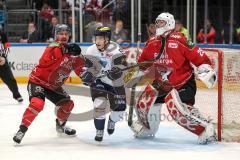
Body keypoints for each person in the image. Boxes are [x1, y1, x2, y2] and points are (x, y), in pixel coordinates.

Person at [131, 12, 217, 144]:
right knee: (143, 103)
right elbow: (143, 64)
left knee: (178, 109)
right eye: (157, 22)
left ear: (169, 23)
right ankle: (148, 129)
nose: (158, 25)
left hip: (183, 83)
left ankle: (206, 128)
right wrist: (135, 71)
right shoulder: (152, 42)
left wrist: (205, 68)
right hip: (161, 84)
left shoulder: (180, 39)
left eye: (161, 22)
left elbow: (199, 56)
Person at [13, 24, 85, 144]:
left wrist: (92, 78)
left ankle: (61, 125)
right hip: (37, 82)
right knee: (37, 104)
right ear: (56, 35)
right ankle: (21, 130)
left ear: (69, 36)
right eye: (61, 33)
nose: (63, 36)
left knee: (68, 104)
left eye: (66, 34)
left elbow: (81, 72)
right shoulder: (53, 46)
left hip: (54, 87)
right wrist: (65, 49)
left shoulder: (74, 54)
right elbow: (47, 59)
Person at [80, 26, 128, 142]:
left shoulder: (116, 49)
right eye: (96, 38)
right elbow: (87, 68)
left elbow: (124, 68)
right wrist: (87, 75)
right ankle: (99, 130)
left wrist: (117, 72)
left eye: (101, 38)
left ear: (107, 39)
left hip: (115, 83)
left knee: (120, 110)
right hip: (99, 80)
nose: (98, 41)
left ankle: (112, 120)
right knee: (99, 104)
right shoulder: (91, 50)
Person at [0, 27, 23, 102]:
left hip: (2, 61)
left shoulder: (2, 34)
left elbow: (7, 46)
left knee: (10, 79)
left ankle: (17, 95)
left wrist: (3, 57)